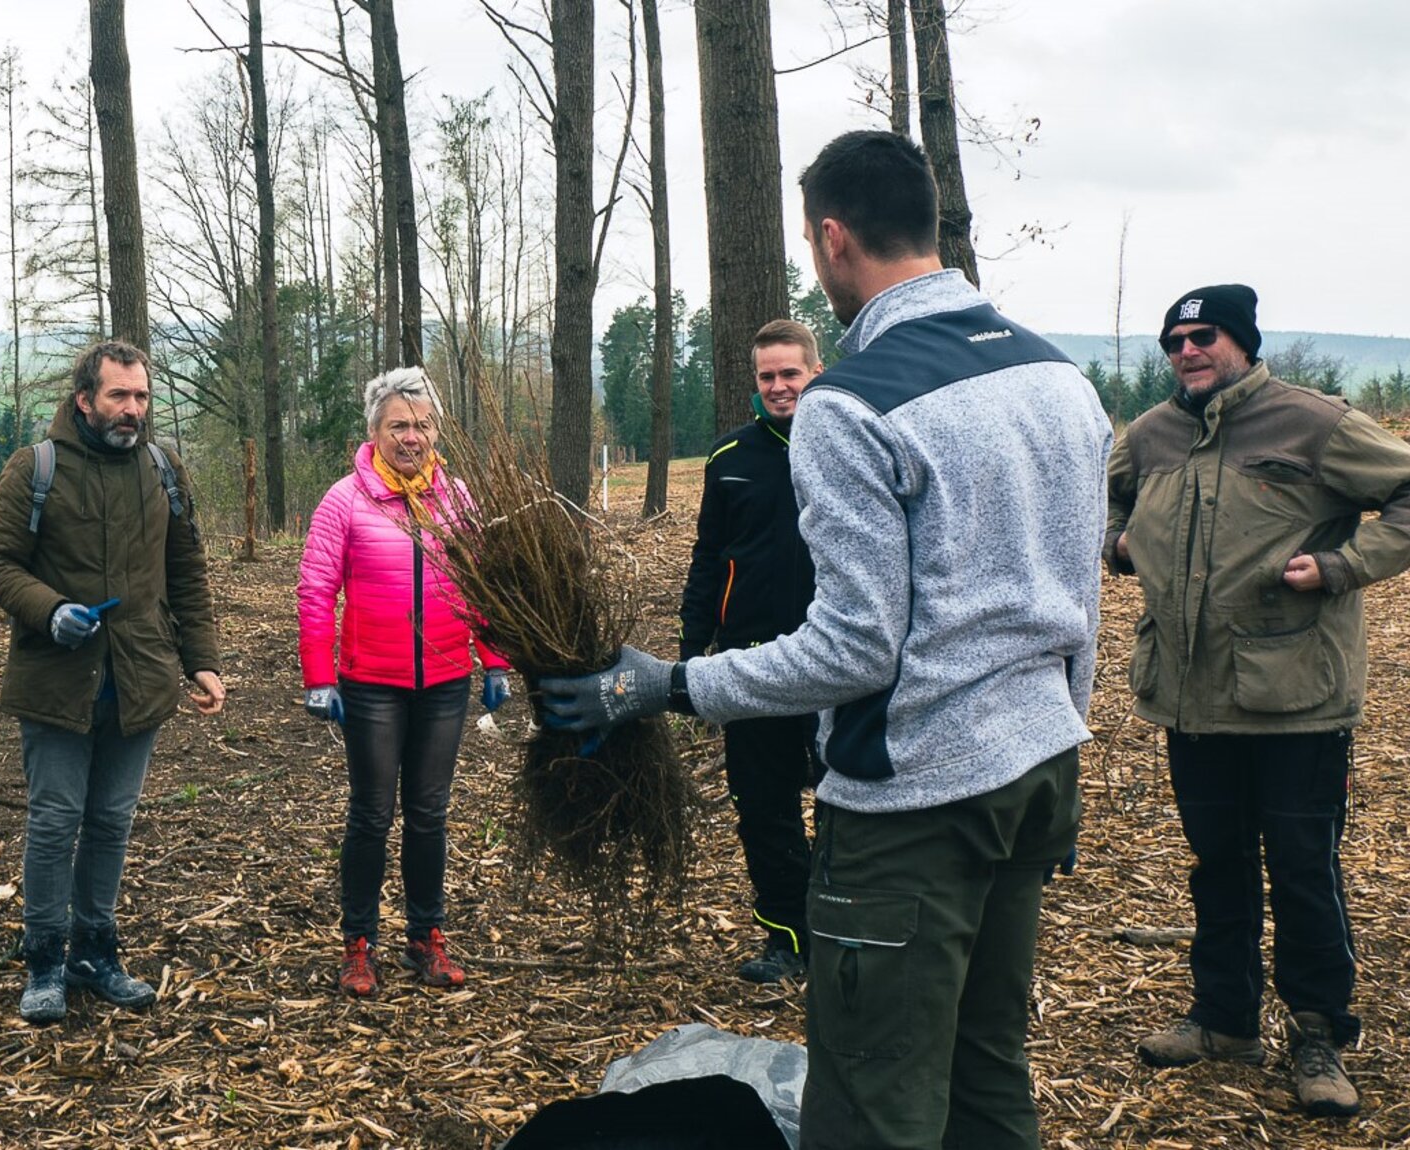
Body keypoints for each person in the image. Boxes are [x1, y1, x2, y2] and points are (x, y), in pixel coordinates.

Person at [542, 130, 1112, 1150]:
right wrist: (1055, 729)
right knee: (985, 1079)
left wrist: (669, 684)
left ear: (833, 238)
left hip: (915, 808)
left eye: (814, 244)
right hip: (1036, 773)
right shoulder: (1056, 378)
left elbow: (852, 650)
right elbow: (1080, 600)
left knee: (870, 1109)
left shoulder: (851, 403)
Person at [1108, 284, 1410, 1118]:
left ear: (1244, 342)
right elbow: (1109, 504)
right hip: (1190, 695)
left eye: (1205, 335)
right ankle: (1224, 1021)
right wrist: (1120, 545)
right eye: (1174, 340)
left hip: (1298, 701)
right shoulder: (1152, 434)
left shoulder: (1312, 422)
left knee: (1300, 871)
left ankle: (1319, 1032)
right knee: (1216, 866)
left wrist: (1341, 567)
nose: (1188, 350)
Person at [0, 339, 225, 1025]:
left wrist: (201, 660)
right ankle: (44, 961)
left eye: (141, 397)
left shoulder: (161, 469)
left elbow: (186, 572)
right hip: (57, 680)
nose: (132, 410)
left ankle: (96, 950)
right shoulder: (36, 467)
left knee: (112, 822)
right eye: (119, 396)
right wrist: (50, 609)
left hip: (139, 676)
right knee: (56, 823)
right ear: (85, 399)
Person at [297, 367, 511, 998]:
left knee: (428, 814)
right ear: (374, 431)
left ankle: (426, 936)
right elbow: (316, 590)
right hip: (372, 683)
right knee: (370, 814)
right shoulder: (345, 500)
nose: (411, 437)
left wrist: (493, 658)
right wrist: (318, 675)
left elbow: (482, 582)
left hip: (445, 680)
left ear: (436, 430)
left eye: (421, 425)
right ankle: (358, 944)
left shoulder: (458, 497)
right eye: (399, 426)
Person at [679, 318, 825, 983]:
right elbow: (709, 558)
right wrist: (691, 650)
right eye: (766, 376)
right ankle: (786, 939)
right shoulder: (727, 459)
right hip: (749, 662)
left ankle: (838, 936)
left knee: (842, 806)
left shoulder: (843, 447)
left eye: (789, 373)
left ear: (814, 373)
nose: (777, 386)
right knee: (763, 807)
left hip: (833, 661)